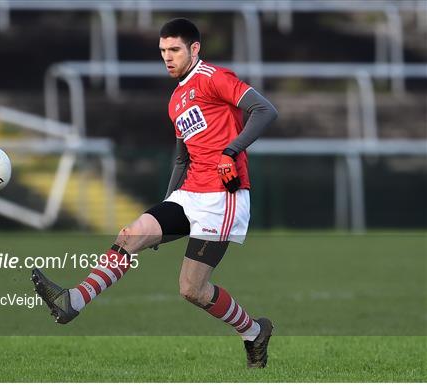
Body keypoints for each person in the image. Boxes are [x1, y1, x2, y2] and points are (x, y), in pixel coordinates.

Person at [32, 18, 278, 368]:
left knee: (191, 289)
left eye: (174, 49)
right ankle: (74, 300)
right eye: (163, 51)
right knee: (130, 235)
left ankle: (254, 331)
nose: (168, 57)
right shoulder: (176, 98)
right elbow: (182, 157)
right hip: (189, 193)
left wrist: (231, 150)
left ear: (194, 49)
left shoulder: (214, 78)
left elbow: (265, 110)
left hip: (223, 198)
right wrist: (166, 205)